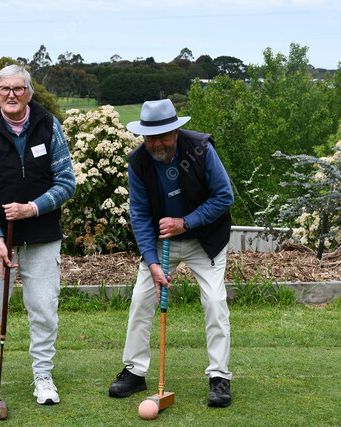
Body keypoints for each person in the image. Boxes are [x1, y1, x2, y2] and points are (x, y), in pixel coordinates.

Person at [0, 65, 76, 408]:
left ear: (29, 93)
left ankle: (43, 376)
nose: (11, 94)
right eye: (4, 89)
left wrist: (32, 209)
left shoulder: (49, 125)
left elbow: (66, 182)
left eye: (18, 88)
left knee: (44, 309)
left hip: (42, 234)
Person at [108, 99, 234, 408]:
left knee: (214, 302)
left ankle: (219, 376)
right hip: (161, 243)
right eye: (151, 138)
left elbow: (224, 196)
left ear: (176, 132)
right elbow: (139, 215)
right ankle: (135, 371)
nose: (157, 144)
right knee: (141, 300)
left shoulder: (201, 149)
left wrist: (185, 222)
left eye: (163, 136)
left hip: (204, 239)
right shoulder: (138, 161)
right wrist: (152, 263)